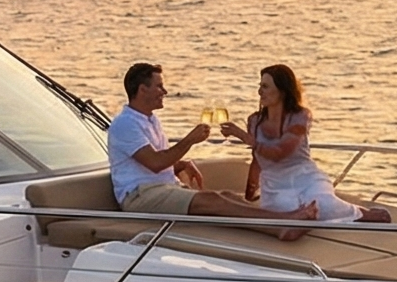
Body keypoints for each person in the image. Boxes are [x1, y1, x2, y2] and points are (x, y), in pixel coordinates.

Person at [106, 62, 317, 238]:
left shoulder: (149, 119)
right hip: (140, 197)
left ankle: (281, 221)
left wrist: (181, 164)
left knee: (226, 195)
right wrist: (190, 140)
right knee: (211, 201)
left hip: (162, 187)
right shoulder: (125, 124)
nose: (165, 92)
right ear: (142, 90)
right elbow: (155, 163)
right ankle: (284, 223)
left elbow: (150, 162)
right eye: (159, 86)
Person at [240, 64, 387, 223]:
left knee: (322, 204)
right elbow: (257, 160)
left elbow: (280, 152)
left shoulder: (300, 116)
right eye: (260, 86)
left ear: (282, 91)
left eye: (265, 86)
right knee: (286, 207)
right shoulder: (254, 121)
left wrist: (244, 137)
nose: (260, 91)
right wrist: (249, 196)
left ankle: (362, 214)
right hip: (275, 186)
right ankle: (315, 215)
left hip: (305, 177)